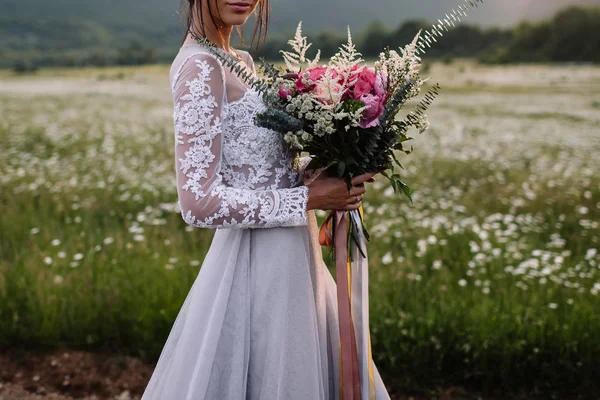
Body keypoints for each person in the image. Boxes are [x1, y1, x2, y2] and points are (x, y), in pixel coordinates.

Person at [141, 0, 391, 398]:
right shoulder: (200, 67)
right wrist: (303, 199)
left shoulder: (236, 58)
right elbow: (198, 202)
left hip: (295, 252)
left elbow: (259, 168)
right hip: (258, 265)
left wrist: (335, 163)